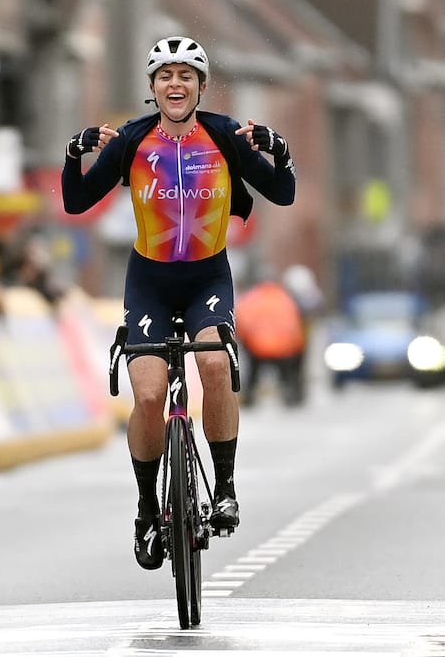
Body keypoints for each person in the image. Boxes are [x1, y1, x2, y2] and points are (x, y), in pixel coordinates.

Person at [62, 36, 296, 570]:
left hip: (207, 278)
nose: (175, 84)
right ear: (152, 88)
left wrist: (279, 154)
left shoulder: (225, 137)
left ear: (201, 86)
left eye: (186, 75)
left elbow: (282, 193)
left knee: (214, 362)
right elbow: (77, 202)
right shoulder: (130, 141)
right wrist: (75, 155)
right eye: (165, 76)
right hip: (149, 280)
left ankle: (227, 487)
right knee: (147, 396)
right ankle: (148, 506)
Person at [235, 277, 307, 407]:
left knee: (253, 373)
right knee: (287, 374)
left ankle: (249, 397)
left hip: (257, 346)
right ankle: (291, 394)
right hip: (283, 347)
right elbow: (294, 325)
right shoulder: (285, 299)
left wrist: (245, 340)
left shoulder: (252, 299)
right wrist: (296, 347)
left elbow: (242, 320)